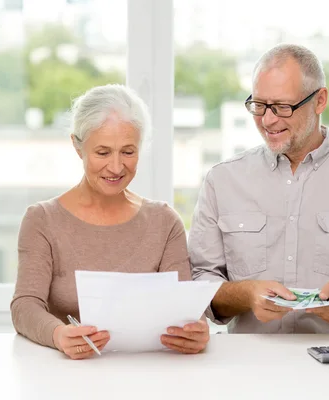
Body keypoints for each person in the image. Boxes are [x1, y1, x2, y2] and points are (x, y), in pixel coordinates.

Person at [189, 44, 329, 334]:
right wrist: (246, 294)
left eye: (283, 107)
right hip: (250, 366)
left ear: (320, 100)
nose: (268, 120)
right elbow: (199, 280)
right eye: (259, 105)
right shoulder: (221, 181)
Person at [11, 84, 209, 359]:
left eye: (128, 152)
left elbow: (186, 311)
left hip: (151, 374)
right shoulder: (42, 220)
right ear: (77, 147)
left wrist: (196, 330)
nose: (116, 167)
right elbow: (25, 305)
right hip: (67, 374)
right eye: (103, 152)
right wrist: (58, 335)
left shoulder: (165, 223)